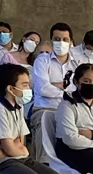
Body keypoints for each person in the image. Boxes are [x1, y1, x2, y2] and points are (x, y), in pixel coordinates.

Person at [31, 23, 80, 162]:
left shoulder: (78, 64)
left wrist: (55, 85)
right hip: (45, 108)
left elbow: (80, 89)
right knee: (46, 118)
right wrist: (67, 89)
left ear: (71, 42)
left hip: (71, 110)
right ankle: (44, 163)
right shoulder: (42, 60)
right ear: (51, 40)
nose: (61, 43)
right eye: (57, 39)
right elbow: (43, 89)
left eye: (65, 39)